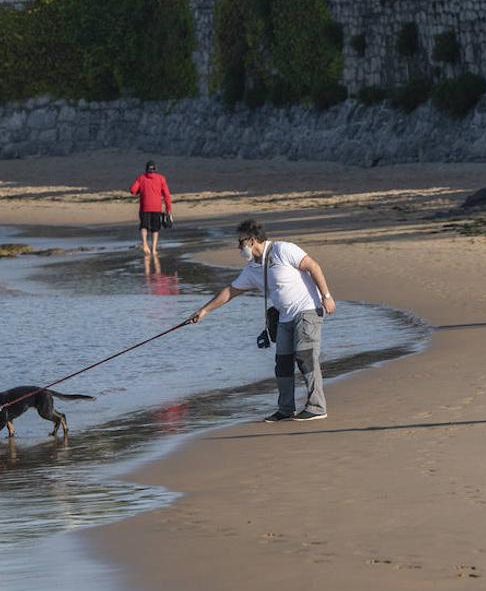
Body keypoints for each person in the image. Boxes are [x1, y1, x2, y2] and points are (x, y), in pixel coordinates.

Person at [188, 219, 336, 422]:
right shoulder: (252, 269)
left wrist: (326, 296)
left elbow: (313, 266)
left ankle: (317, 407)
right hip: (284, 317)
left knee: (305, 356)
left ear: (252, 240)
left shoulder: (283, 250)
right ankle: (286, 409)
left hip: (308, 310)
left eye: (241, 243)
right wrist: (204, 311)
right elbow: (230, 291)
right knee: (282, 363)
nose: (239, 247)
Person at [129, 160, 174, 257]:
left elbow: (132, 190)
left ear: (146, 169)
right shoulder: (161, 178)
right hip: (156, 208)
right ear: (155, 169)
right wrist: (168, 209)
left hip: (144, 207)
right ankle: (153, 249)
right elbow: (167, 195)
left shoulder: (141, 178)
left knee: (144, 226)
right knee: (155, 229)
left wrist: (139, 190)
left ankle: (145, 244)